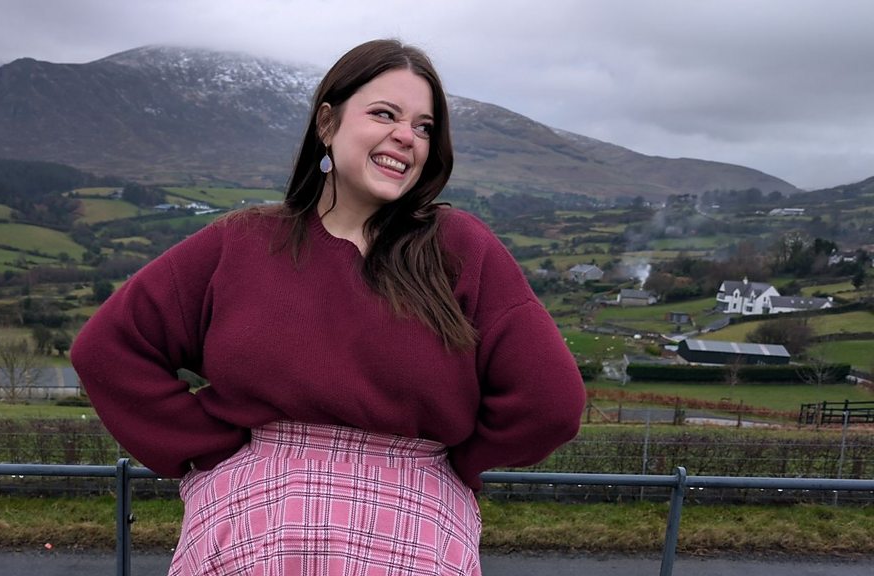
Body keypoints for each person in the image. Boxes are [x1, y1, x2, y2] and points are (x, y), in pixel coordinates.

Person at [70, 38, 585, 575]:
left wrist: (454, 465)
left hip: (397, 525)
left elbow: (550, 402)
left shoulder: (461, 247)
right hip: (254, 528)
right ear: (327, 123)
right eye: (384, 113)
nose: (406, 136)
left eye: (424, 126)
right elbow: (109, 348)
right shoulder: (240, 242)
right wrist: (211, 450)